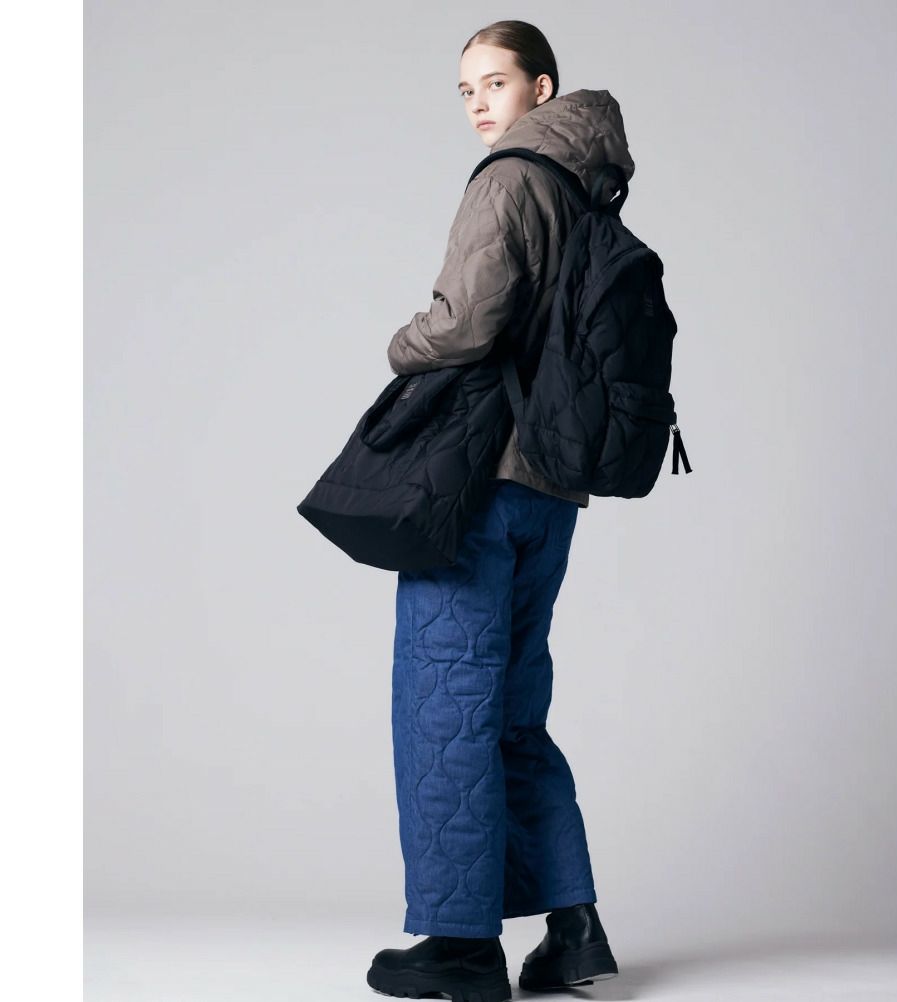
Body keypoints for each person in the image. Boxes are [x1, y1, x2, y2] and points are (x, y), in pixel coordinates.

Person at [366, 19, 634, 1001]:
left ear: (541, 87)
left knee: (445, 706)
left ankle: (461, 945)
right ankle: (573, 932)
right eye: (466, 89)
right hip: (554, 487)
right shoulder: (590, 187)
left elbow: (466, 322)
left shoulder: (510, 178)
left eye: (495, 82)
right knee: (515, 714)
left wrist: (401, 342)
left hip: (481, 480)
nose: (479, 103)